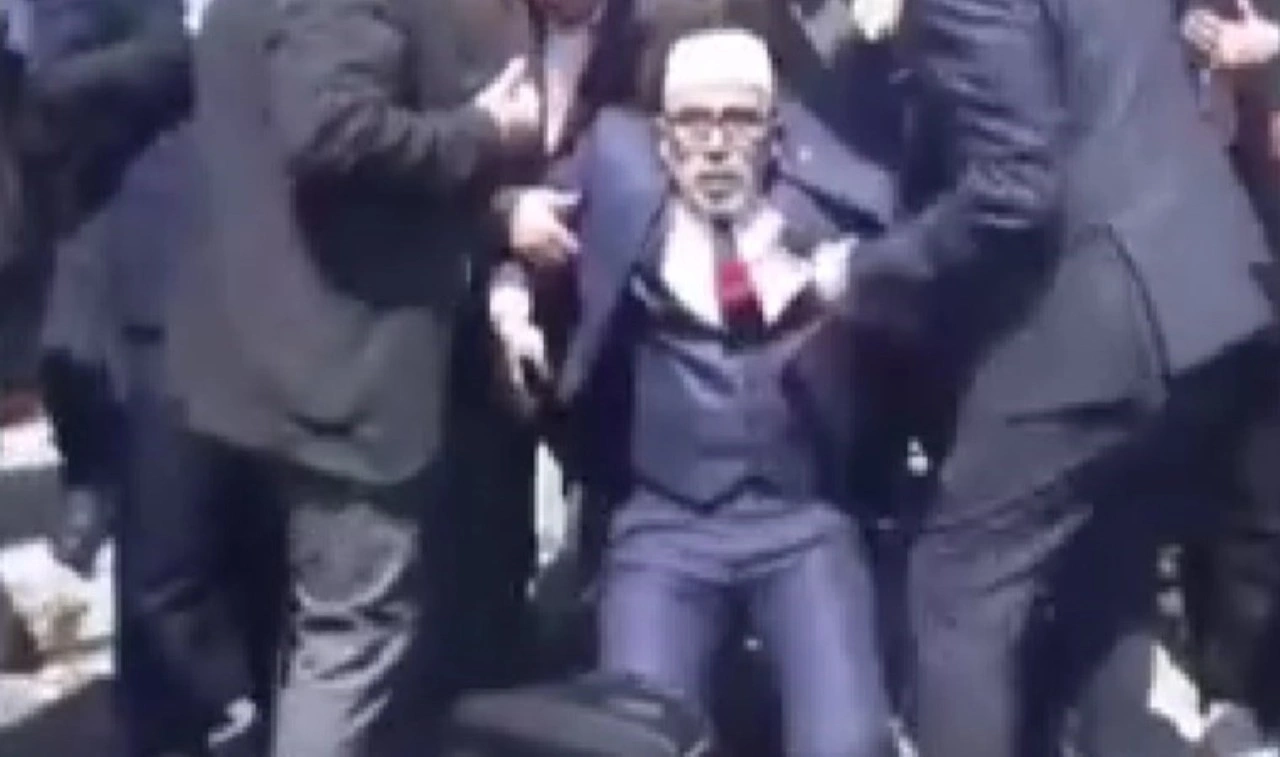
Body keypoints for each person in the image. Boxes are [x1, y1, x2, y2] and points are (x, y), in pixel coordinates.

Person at [816, 0, 1277, 754]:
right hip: (1212, 295)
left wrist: (862, 271)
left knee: (958, 578)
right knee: (1105, 571)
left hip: (1109, 307)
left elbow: (1015, 190)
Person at [491, 27, 900, 756]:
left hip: (802, 521)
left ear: (773, 135)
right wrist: (511, 302)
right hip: (665, 525)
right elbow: (529, 229)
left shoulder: (829, 213)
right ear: (664, 136)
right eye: (694, 122)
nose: (714, 145)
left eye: (738, 121)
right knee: (631, 738)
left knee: (848, 742)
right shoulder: (617, 171)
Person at [171, 0, 547, 752]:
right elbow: (329, 126)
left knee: (309, 623)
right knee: (354, 631)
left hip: (257, 355)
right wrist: (482, 131)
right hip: (340, 365)